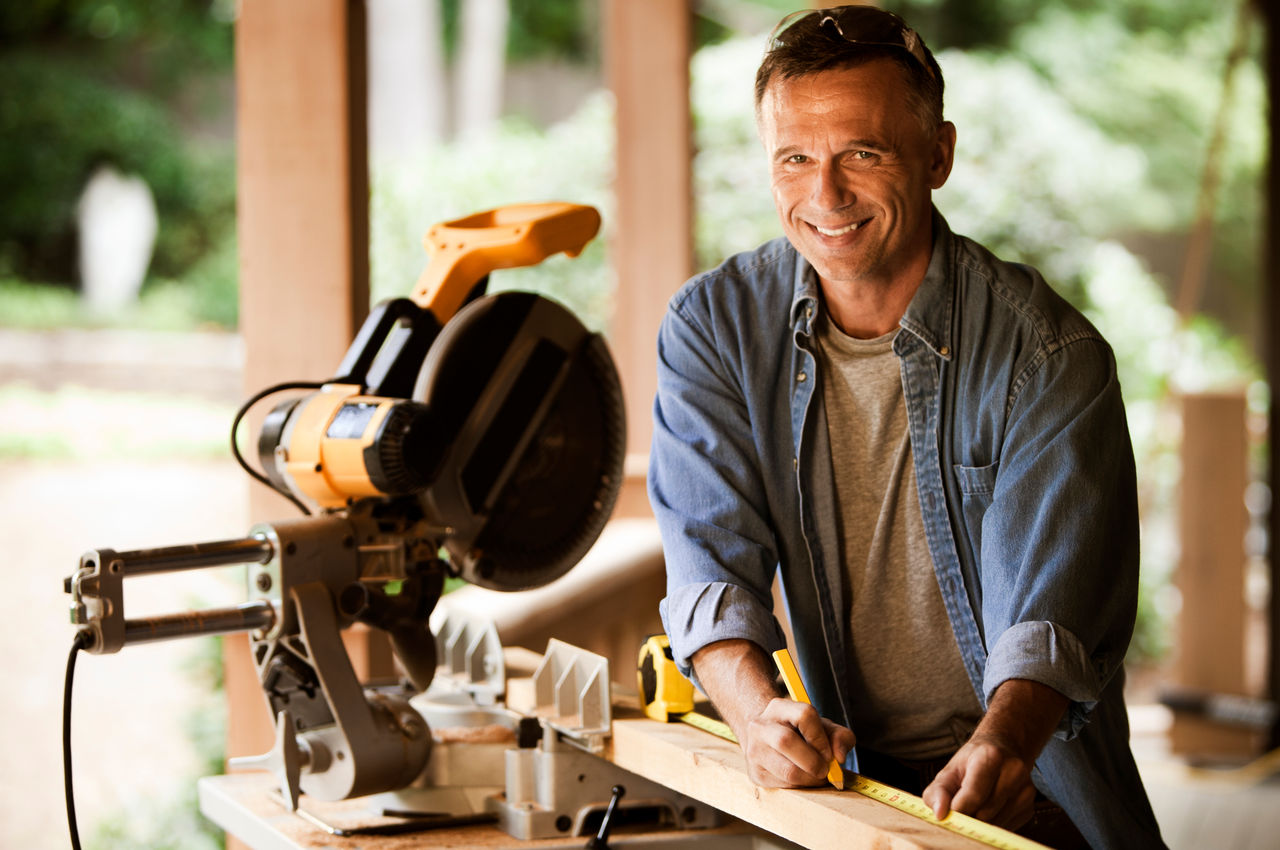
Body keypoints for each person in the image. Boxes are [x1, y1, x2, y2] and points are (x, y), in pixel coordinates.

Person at [648, 6, 1166, 849]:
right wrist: (755, 716)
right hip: (837, 781)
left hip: (1026, 788)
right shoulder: (713, 327)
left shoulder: (1050, 355)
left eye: (863, 153)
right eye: (795, 159)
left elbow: (1052, 625)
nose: (826, 195)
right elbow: (709, 565)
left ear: (939, 155)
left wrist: (1002, 746)